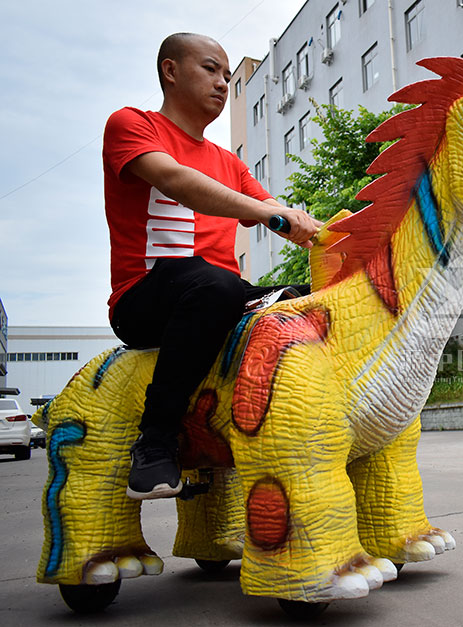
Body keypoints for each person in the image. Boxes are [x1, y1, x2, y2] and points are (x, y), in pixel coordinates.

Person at [103, 33, 321, 500]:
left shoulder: (228, 162)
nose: (223, 83)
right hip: (144, 298)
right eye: (210, 69)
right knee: (217, 284)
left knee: (307, 298)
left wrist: (339, 233)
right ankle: (156, 441)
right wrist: (268, 213)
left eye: (227, 74)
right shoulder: (131, 124)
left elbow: (281, 213)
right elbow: (176, 180)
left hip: (220, 294)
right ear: (170, 70)